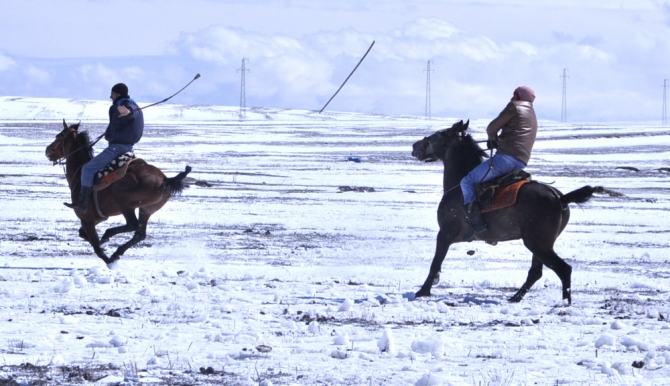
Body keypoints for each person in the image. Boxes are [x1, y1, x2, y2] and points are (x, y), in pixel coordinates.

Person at [460, 86, 538, 235]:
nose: (512, 97)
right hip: (521, 162)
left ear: (517, 95)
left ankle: (474, 224)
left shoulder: (515, 106)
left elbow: (491, 128)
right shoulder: (532, 114)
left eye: (514, 94)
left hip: (505, 159)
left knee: (467, 181)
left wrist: (492, 139)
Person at [64, 83, 144, 213]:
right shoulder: (134, 104)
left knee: (88, 169)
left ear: (117, 94)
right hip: (129, 148)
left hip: (117, 148)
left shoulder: (123, 104)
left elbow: (129, 112)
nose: (110, 97)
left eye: (112, 94)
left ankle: (83, 203)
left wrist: (128, 113)